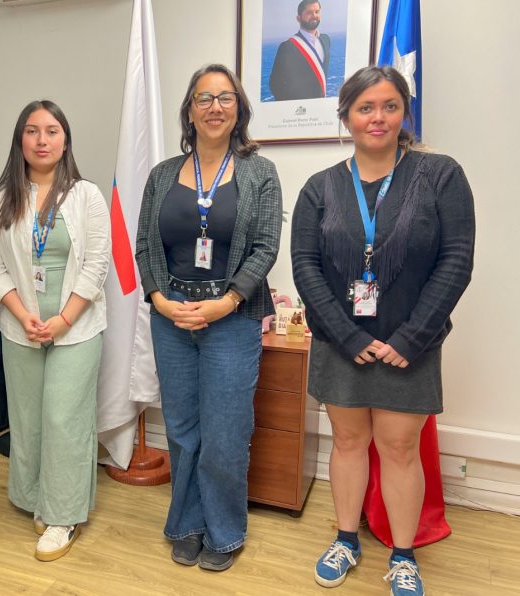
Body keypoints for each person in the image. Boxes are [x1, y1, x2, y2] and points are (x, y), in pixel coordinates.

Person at [291, 66, 475, 595]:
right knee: (347, 444)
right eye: (365, 107)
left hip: (409, 347)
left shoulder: (440, 176)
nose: (378, 117)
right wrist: (349, 338)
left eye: (390, 105)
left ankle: (401, 554)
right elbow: (305, 266)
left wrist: (411, 338)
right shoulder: (320, 187)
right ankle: (346, 540)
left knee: (399, 449)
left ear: (404, 113)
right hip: (341, 343)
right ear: (346, 115)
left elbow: (456, 260)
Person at [135, 64, 282, 572]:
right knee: (181, 430)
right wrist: (158, 298)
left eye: (225, 98)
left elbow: (265, 247)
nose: (215, 107)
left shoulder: (259, 172)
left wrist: (227, 301)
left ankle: (224, 531)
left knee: (225, 432)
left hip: (231, 319)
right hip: (171, 316)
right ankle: (187, 525)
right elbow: (145, 248)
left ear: (238, 108)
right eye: (204, 98)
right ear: (190, 111)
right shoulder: (160, 175)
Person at [0, 100, 109, 562]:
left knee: (62, 417)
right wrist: (22, 314)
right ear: (20, 142)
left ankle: (64, 514)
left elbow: (97, 265)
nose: (42, 140)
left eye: (52, 131)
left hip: (75, 326)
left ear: (65, 140)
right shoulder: (0, 199)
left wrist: (63, 319)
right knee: (29, 417)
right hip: (22, 327)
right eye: (32, 131)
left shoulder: (85, 195)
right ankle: (37, 496)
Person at [269, 0, 331, 101]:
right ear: (298, 18)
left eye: (317, 12)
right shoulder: (287, 47)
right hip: (299, 111)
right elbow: (275, 84)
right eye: (309, 13)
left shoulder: (326, 40)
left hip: (320, 108)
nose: (314, 15)